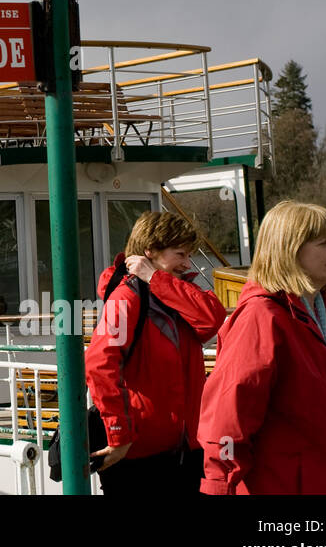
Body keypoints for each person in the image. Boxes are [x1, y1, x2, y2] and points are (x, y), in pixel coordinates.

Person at [198, 201, 326, 495]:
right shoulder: (261, 318)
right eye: (323, 243)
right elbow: (227, 416)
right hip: (284, 484)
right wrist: (219, 486)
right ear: (290, 250)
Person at [84, 211, 226, 494]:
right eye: (180, 254)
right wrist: (118, 436)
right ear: (150, 251)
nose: (187, 263)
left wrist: (156, 278)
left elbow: (212, 318)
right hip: (140, 454)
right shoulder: (126, 297)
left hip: (184, 449)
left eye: (188, 255)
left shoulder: (174, 291)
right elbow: (99, 365)